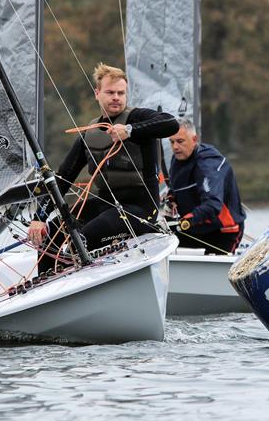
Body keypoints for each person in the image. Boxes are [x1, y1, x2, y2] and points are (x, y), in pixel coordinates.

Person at [28, 63, 178, 271]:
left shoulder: (137, 119)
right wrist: (39, 219)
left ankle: (81, 279)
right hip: (106, 205)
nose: (116, 97)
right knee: (51, 234)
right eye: (110, 92)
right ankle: (44, 287)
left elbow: (171, 123)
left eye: (121, 92)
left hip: (141, 209)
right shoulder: (89, 134)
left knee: (83, 238)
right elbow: (63, 178)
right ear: (97, 93)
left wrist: (130, 130)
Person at [166, 118, 246, 255]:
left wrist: (188, 219)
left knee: (216, 271)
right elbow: (175, 188)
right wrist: (171, 198)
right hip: (197, 228)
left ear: (194, 139)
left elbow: (213, 204)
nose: (175, 147)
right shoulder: (177, 158)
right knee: (156, 234)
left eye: (180, 141)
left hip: (223, 231)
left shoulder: (208, 163)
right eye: (172, 142)